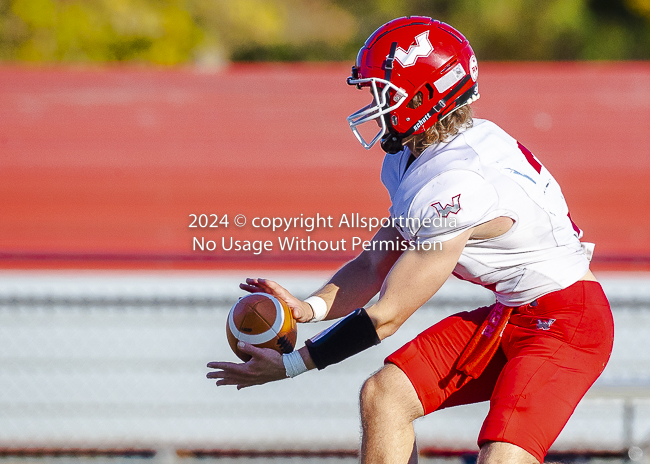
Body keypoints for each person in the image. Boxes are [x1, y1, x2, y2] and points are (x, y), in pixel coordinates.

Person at [207, 16, 614, 464]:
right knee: (384, 396)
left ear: (422, 97)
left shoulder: (457, 179)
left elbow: (386, 315)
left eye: (383, 92)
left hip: (567, 320)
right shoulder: (423, 157)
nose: (373, 105)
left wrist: (293, 364)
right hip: (513, 309)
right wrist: (311, 308)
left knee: (502, 458)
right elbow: (374, 264)